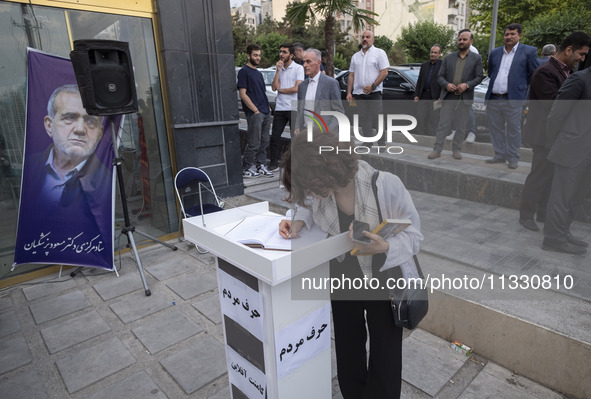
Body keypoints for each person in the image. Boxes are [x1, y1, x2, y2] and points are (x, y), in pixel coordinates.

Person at [278, 130, 423, 399]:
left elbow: (415, 236)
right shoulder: (318, 192)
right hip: (341, 274)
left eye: (310, 186)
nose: (308, 193)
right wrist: (295, 219)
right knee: (348, 346)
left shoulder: (386, 186)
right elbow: (306, 206)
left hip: (383, 277)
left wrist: (386, 246)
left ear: (328, 173)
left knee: (386, 350)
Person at [16, 84, 113, 266]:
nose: (80, 129)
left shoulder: (109, 182)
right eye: (69, 118)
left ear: (100, 133)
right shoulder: (28, 169)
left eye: (90, 121)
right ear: (49, 125)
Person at [519, 32, 591, 232]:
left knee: (551, 178)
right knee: (539, 176)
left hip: (557, 135)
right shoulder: (546, 72)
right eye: (581, 54)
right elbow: (552, 104)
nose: (582, 59)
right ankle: (526, 215)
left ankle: (543, 212)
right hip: (543, 135)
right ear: (569, 50)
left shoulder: (568, 71)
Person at [542, 66, 591, 254]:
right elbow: (557, 113)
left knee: (576, 196)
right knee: (562, 196)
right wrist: (555, 142)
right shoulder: (580, 79)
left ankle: (563, 231)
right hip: (572, 147)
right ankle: (553, 238)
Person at [484, 23, 539, 169]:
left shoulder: (529, 51)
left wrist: (522, 91)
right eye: (506, 34)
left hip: (514, 98)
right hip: (494, 97)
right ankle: (499, 155)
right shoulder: (495, 53)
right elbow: (491, 73)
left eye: (512, 34)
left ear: (519, 35)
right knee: (496, 129)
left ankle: (513, 157)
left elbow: (535, 75)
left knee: (514, 129)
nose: (509, 37)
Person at [427, 29, 483, 160]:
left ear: (471, 41)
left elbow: (479, 76)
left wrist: (467, 85)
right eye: (460, 39)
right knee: (443, 123)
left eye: (464, 39)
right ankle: (437, 150)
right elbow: (440, 76)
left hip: (465, 95)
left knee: (461, 125)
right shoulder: (449, 58)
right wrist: (446, 84)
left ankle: (456, 150)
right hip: (449, 95)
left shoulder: (476, 58)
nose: (461, 41)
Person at [346, 30, 390, 145]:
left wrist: (373, 86)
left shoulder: (379, 53)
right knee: (364, 118)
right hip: (359, 93)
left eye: (368, 37)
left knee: (377, 118)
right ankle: (368, 142)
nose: (365, 39)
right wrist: (349, 92)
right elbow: (351, 75)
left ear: (373, 39)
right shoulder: (355, 56)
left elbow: (384, 71)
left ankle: (381, 143)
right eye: (363, 37)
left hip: (374, 93)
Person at [237, 43, 273, 178]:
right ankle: (246, 168)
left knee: (264, 141)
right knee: (254, 142)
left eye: (259, 55)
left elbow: (261, 92)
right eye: (255, 55)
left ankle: (261, 166)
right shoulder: (243, 72)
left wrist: (268, 107)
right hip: (255, 113)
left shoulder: (258, 73)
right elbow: (243, 94)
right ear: (248, 56)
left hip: (265, 111)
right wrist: (255, 110)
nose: (258, 58)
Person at [268, 43, 304, 171]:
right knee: (275, 136)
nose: (281, 54)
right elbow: (273, 87)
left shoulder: (298, 68)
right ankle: (273, 163)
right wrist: (278, 70)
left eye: (284, 52)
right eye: (280, 52)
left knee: (295, 138)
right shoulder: (280, 68)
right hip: (280, 107)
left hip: (293, 107)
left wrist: (281, 90)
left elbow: (297, 89)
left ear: (292, 55)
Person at [294, 49, 344, 135]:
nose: (305, 65)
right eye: (304, 62)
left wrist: (328, 131)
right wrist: (297, 126)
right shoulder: (302, 86)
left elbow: (338, 112)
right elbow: (300, 110)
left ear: (318, 63)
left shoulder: (330, 83)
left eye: (308, 62)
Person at [414, 44, 443, 136]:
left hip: (436, 97)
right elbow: (420, 81)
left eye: (435, 52)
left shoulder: (443, 65)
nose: (433, 54)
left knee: (433, 118)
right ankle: (420, 137)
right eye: (432, 52)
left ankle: (431, 139)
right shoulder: (424, 65)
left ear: (440, 54)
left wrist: (441, 97)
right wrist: (416, 95)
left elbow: (444, 82)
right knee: (420, 117)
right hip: (423, 96)